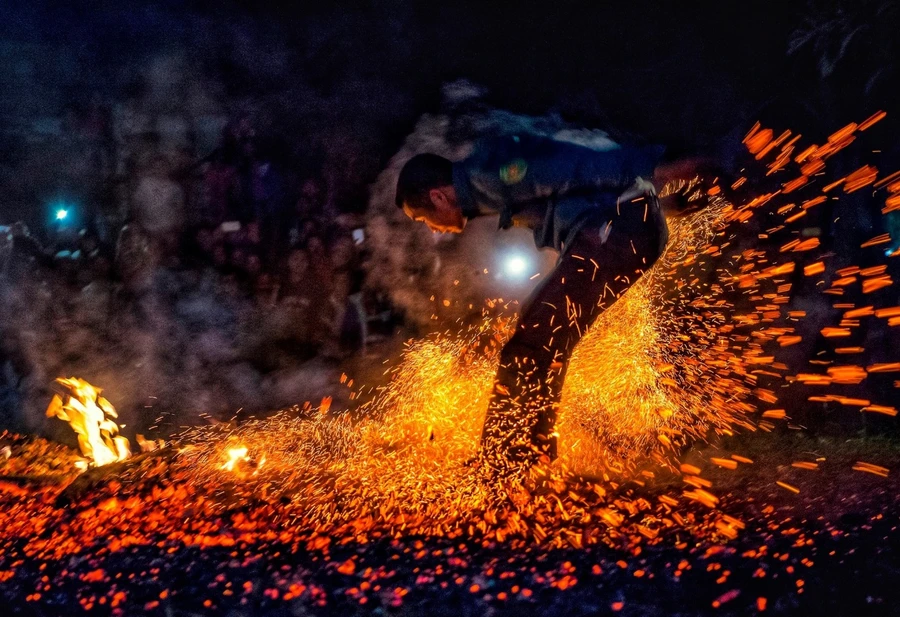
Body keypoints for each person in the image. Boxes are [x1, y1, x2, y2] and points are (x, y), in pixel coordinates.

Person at [395, 133, 708, 473]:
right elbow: (581, 191)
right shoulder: (486, 190)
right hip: (619, 230)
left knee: (529, 346)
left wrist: (659, 169)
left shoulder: (489, 172)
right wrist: (663, 207)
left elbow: (573, 167)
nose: (431, 229)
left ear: (439, 196)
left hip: (612, 233)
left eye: (423, 218)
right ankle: (531, 459)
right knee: (541, 344)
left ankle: (507, 464)